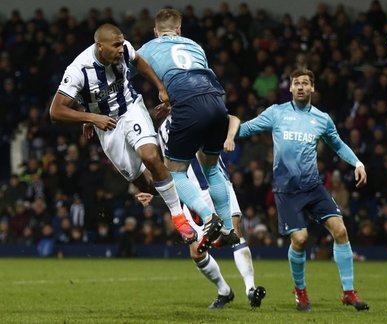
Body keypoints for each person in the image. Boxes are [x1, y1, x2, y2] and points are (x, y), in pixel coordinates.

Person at [236, 68, 369, 312]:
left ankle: (349, 293)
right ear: (290, 87)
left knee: (340, 230)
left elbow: (337, 145)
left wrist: (357, 163)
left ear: (312, 88)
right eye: (296, 83)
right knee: (300, 239)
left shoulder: (321, 118)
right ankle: (300, 292)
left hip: (313, 187)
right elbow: (246, 129)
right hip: (286, 191)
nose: (300, 87)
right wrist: (222, 128)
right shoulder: (276, 113)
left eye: (305, 83)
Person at [49, 24, 196, 244]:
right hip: (107, 125)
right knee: (146, 184)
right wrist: (90, 117)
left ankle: (180, 216)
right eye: (115, 45)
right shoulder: (78, 70)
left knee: (150, 156)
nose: (121, 49)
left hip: (131, 108)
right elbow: (56, 111)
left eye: (122, 43)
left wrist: (160, 87)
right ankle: (179, 193)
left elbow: (139, 62)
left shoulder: (125, 49)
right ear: (100, 47)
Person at [137, 113, 266, 309]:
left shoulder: (199, 108)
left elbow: (233, 119)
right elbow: (164, 169)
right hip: (191, 197)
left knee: (234, 235)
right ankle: (224, 291)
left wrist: (229, 138)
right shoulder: (160, 131)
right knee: (197, 253)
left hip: (218, 186)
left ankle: (250, 289)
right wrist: (155, 193)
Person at [136, 8, 232, 253]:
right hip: (217, 102)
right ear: (179, 29)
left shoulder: (147, 48)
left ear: (156, 31)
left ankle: (209, 217)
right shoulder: (194, 45)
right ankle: (228, 230)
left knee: (173, 171)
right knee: (211, 168)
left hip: (189, 106)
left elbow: (126, 73)